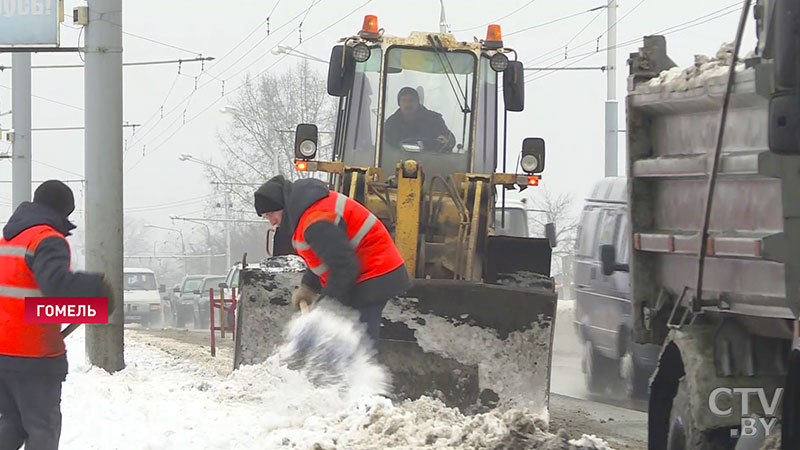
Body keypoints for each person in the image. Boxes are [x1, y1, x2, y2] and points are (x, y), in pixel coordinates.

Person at [0, 180, 113, 450]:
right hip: (33, 355)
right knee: (42, 430)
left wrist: (94, 308)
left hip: (4, 352)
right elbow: (55, 286)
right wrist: (97, 288)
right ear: (64, 212)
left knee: (12, 425)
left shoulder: (8, 238)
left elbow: (28, 303)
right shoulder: (47, 239)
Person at [254, 175, 410, 344]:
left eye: (271, 214)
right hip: (368, 271)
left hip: (376, 272)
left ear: (283, 205)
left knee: (358, 341)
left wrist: (327, 305)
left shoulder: (315, 221)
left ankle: (362, 369)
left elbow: (344, 266)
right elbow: (325, 257)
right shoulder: (304, 214)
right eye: (266, 217)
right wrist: (309, 287)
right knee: (350, 338)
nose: (271, 222)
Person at [382, 86, 456, 153]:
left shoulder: (434, 120)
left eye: (411, 100)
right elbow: (385, 148)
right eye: (404, 100)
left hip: (432, 162)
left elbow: (448, 138)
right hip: (397, 163)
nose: (407, 104)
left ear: (417, 102)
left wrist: (447, 141)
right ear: (399, 103)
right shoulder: (391, 124)